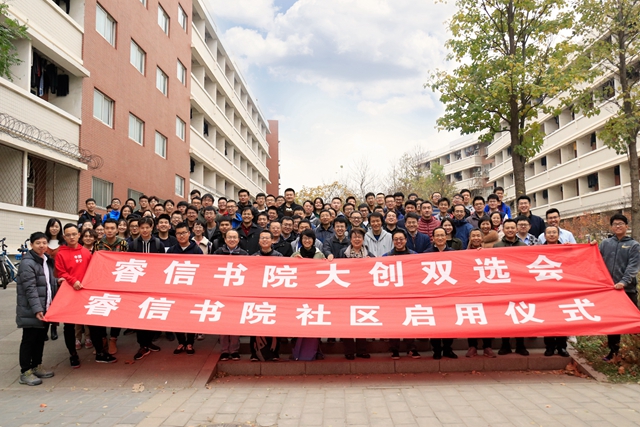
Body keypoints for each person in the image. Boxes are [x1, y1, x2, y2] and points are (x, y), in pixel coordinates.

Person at [56, 224, 116, 365]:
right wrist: (73, 281)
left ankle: (100, 352)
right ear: (64, 237)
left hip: (87, 293)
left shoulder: (86, 252)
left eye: (74, 234)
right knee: (69, 326)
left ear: (79, 235)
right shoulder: (60, 253)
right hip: (70, 293)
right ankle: (73, 355)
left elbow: (93, 271)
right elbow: (60, 272)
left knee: (94, 324)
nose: (71, 237)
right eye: (68, 235)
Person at [16, 231, 58, 386]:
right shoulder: (27, 263)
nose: (42, 246)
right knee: (29, 340)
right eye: (38, 243)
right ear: (31, 245)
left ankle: (36, 365)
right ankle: (25, 371)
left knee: (40, 338)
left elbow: (49, 283)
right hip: (32, 310)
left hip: (45, 307)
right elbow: (30, 289)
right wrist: (37, 309)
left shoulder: (46, 260)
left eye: (44, 243)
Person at [600, 213, 640, 361]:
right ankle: (613, 352)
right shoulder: (605, 243)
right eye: (615, 224)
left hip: (627, 290)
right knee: (612, 323)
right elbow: (596, 261)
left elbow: (633, 267)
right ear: (611, 227)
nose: (618, 226)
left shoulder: (634, 245)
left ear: (626, 226)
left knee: (634, 321)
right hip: (609, 291)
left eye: (621, 224)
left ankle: (636, 351)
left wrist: (623, 282)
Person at [128, 217, 165, 360]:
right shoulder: (133, 245)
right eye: (142, 228)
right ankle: (142, 344)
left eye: (147, 227)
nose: (144, 230)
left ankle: (149, 342)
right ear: (138, 228)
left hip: (154, 284)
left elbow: (163, 264)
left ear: (152, 228)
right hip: (138, 284)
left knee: (151, 313)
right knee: (140, 314)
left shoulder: (158, 244)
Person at [492, 219, 529, 356]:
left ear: (517, 229)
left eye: (512, 228)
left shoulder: (523, 246)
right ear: (503, 230)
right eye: (507, 228)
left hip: (519, 286)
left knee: (520, 314)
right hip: (503, 286)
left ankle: (520, 345)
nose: (510, 230)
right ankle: (505, 344)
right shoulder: (497, 246)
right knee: (505, 315)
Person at [168, 223, 204, 355]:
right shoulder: (171, 250)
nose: (181, 236)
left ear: (189, 233)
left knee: (190, 316)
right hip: (176, 288)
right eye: (178, 233)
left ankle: (190, 342)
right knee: (176, 316)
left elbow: (202, 269)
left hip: (191, 289)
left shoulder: (197, 250)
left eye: (184, 233)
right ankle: (181, 342)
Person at [94, 218, 128, 355]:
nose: (109, 231)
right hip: (102, 282)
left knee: (116, 310)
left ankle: (113, 338)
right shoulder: (98, 244)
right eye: (107, 228)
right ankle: (103, 338)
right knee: (102, 309)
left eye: (112, 228)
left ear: (117, 229)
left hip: (119, 282)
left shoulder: (123, 243)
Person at [425, 227, 457, 359]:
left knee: (450, 322)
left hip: (450, 294)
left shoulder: (454, 253)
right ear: (433, 238)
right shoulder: (426, 254)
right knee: (435, 323)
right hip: (433, 295)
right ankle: (436, 349)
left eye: (442, 235)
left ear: (446, 237)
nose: (439, 238)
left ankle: (448, 348)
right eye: (437, 236)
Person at [539, 225, 570, 358]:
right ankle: (550, 346)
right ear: (544, 236)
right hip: (545, 290)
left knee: (562, 319)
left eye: (554, 232)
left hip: (562, 289)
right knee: (548, 319)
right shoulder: (538, 251)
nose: (551, 235)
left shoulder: (566, 249)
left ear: (558, 235)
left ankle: (562, 346)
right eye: (549, 233)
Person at [44, 218, 63, 342]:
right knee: (46, 301)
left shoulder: (63, 243)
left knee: (55, 302)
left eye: (57, 226)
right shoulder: (43, 241)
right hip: (45, 275)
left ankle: (54, 327)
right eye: (52, 226)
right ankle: (44, 327)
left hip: (58, 276)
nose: (54, 228)